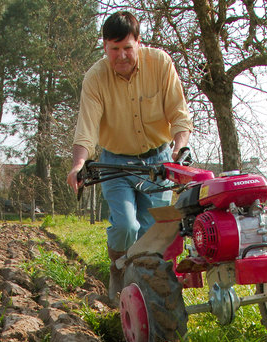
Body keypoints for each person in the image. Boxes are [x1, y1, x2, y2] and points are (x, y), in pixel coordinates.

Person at [66, 11, 193, 302]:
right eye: (114, 49)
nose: (121, 56)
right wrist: (78, 165)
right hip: (116, 163)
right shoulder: (96, 78)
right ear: (104, 47)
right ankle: (117, 269)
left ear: (139, 43)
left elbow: (179, 115)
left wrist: (178, 149)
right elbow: (86, 129)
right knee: (126, 225)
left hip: (158, 161)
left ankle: (145, 295)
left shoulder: (160, 64)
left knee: (151, 236)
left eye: (127, 48)